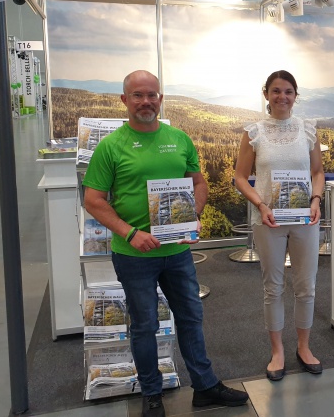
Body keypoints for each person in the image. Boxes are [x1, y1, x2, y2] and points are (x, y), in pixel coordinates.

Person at [82, 70, 249, 416]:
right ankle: (152, 394)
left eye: (152, 95)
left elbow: (199, 183)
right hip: (133, 254)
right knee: (145, 325)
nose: (146, 102)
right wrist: (130, 233)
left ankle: (204, 386)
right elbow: (94, 199)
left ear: (161, 99)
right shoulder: (110, 147)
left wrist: (194, 215)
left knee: (190, 316)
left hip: (177, 252)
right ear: (124, 100)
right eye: (139, 95)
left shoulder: (179, 138)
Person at [234, 70, 325, 381]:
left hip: (304, 218)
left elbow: (318, 173)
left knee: (306, 286)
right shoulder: (254, 132)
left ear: (295, 96)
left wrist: (315, 199)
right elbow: (239, 178)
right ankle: (277, 352)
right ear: (266, 95)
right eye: (276, 91)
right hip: (268, 220)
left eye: (288, 91)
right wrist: (260, 203)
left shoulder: (308, 131)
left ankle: (304, 346)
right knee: (273, 287)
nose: (282, 97)